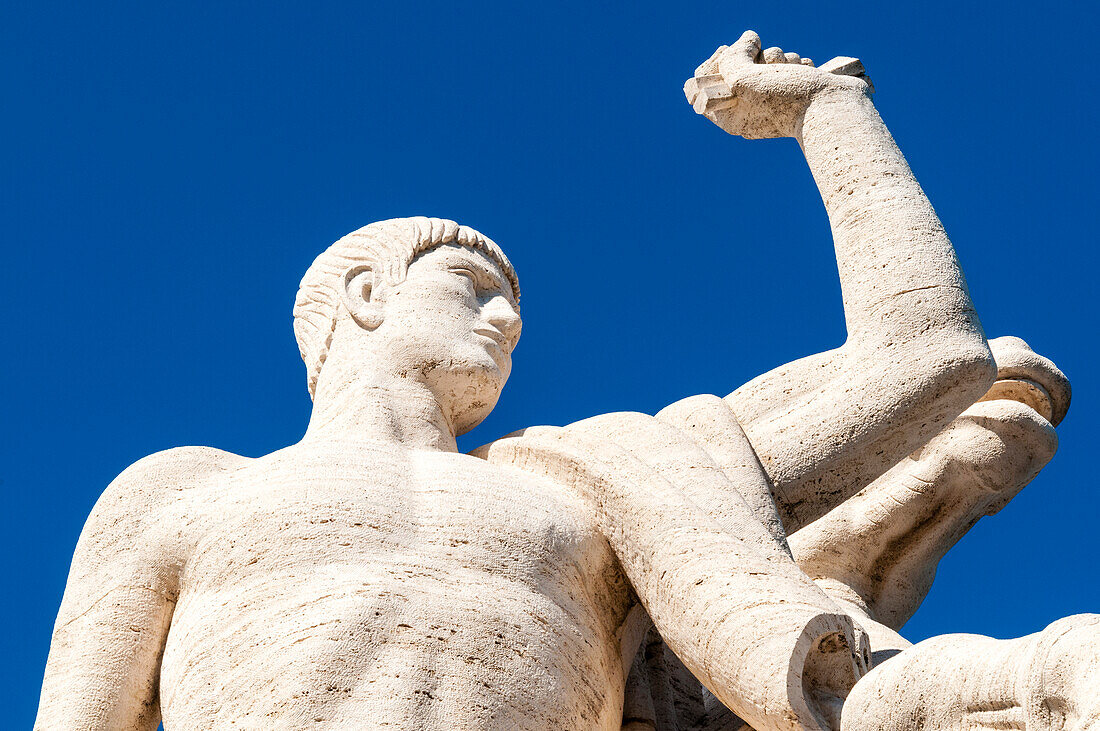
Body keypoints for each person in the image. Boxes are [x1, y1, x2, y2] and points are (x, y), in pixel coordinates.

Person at [38, 32, 1005, 731]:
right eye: (474, 287)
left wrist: (829, 114)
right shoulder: (183, 491)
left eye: (515, 309)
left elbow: (924, 352)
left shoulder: (597, 480)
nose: (508, 322)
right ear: (368, 295)